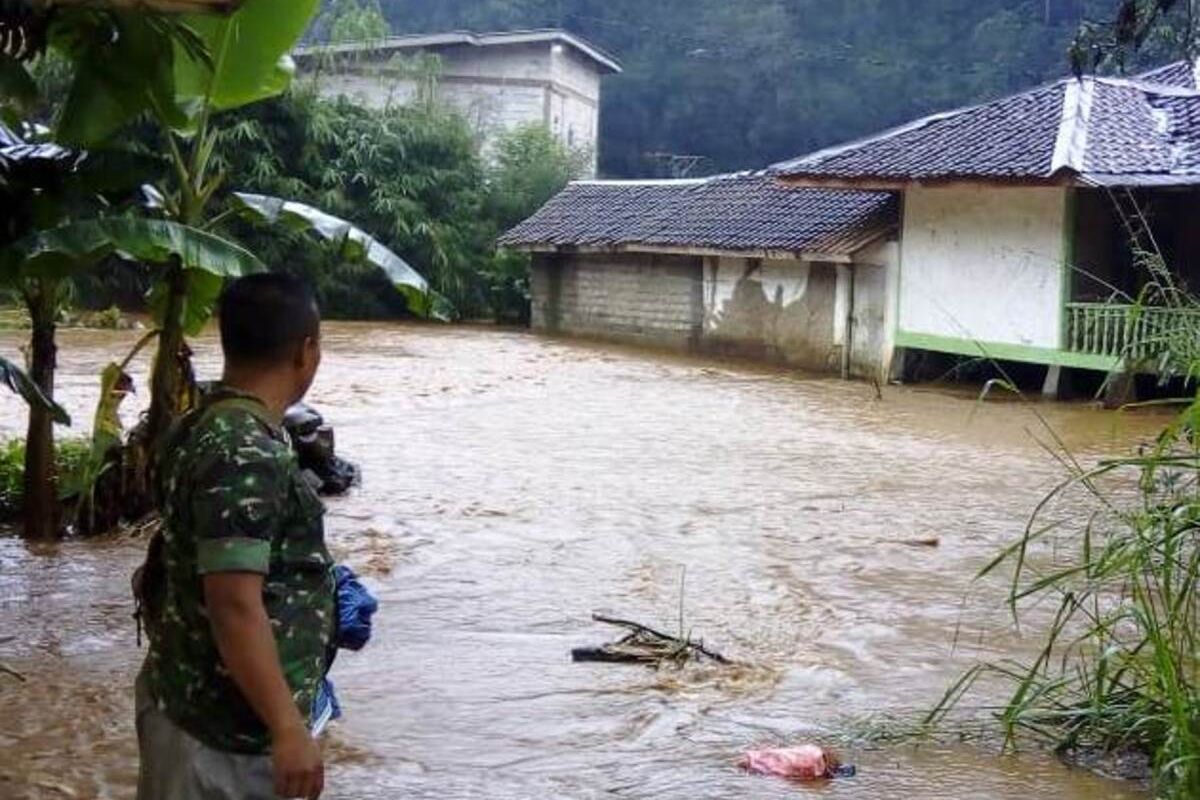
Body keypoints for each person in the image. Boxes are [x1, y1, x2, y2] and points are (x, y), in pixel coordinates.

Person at [136, 274, 334, 800]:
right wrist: (288, 728)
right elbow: (233, 603)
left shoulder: (199, 423)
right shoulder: (247, 450)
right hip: (223, 738)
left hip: (189, 701)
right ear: (305, 351)